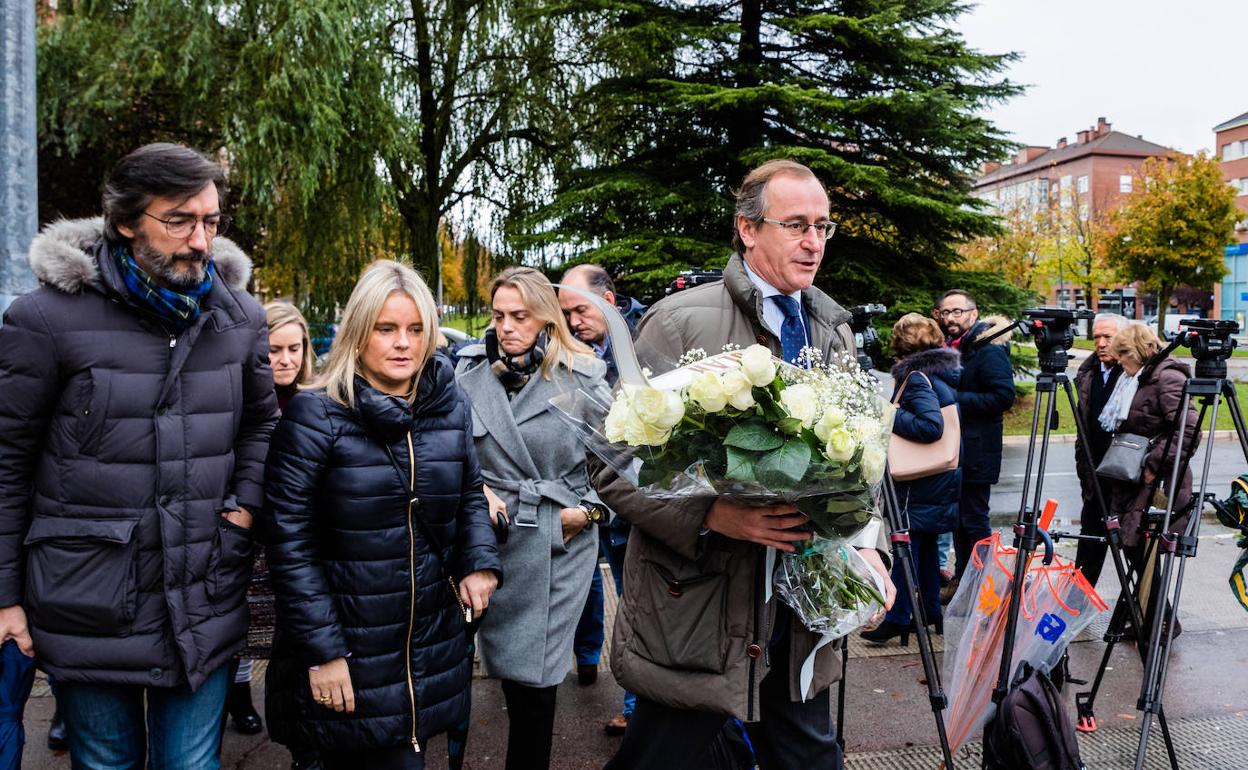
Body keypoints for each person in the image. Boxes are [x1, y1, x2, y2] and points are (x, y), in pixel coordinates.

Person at [596, 159, 895, 770]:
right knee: (661, 757)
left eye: (823, 226)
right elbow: (611, 463)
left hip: (801, 609)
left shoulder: (832, 328)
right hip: (702, 612)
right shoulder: (678, 322)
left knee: (810, 758)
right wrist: (712, 516)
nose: (813, 242)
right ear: (748, 229)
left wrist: (868, 546)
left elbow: (860, 460)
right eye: (796, 225)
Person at [0, 143, 278, 769]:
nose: (201, 241)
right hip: (84, 597)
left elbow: (261, 427)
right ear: (125, 221)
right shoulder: (45, 319)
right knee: (105, 765)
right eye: (179, 220)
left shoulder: (239, 318)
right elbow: (7, 464)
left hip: (202, 587)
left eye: (210, 221)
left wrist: (242, 517)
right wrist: (5, 598)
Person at [262, 260, 501, 770]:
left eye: (416, 329)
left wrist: (479, 560)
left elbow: (469, 491)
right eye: (386, 329)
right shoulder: (316, 414)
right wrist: (324, 653)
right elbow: (288, 542)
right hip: (346, 652)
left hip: (423, 646)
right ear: (358, 331)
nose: (403, 344)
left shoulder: (447, 404)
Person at [456, 267, 610, 770]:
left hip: (555, 542)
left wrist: (585, 513)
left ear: (546, 318)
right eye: (499, 315)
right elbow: (446, 452)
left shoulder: (581, 375)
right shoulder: (465, 373)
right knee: (460, 673)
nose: (506, 327)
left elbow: (618, 464)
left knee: (536, 682)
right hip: (486, 540)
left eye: (520, 316)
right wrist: (475, 489)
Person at [558, 263, 638, 735]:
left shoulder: (647, 336)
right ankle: (594, 662)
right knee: (609, 595)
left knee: (635, 604)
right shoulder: (573, 351)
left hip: (638, 502)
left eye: (579, 310)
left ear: (609, 300)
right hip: (593, 498)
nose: (572, 322)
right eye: (565, 314)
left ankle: (636, 707)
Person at [862, 314, 960, 646]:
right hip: (937, 478)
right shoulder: (938, 374)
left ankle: (899, 616)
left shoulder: (916, 378)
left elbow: (930, 427)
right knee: (927, 544)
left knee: (907, 545)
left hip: (918, 481)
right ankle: (932, 610)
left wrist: (888, 412)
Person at [1099, 322, 1200, 639]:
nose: (1120, 366)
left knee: (1143, 551)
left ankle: (1162, 622)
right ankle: (1153, 619)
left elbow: (1188, 431)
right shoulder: (1138, 377)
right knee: (1135, 551)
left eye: (1122, 358)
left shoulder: (1167, 376)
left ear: (1135, 352)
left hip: (1155, 481)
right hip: (1132, 480)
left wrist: (1154, 463)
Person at [933, 290, 1015, 600]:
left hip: (978, 448)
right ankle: (965, 582)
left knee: (974, 519)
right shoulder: (956, 346)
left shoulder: (987, 349)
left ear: (973, 314)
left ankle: (987, 586)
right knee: (959, 520)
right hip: (958, 447)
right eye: (945, 312)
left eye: (957, 311)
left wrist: (953, 402)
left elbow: (1002, 396)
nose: (950, 318)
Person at [1072, 313, 1129, 588]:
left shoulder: (1134, 373)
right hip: (1094, 477)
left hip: (1125, 478)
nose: (1102, 343)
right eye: (1097, 337)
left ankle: (1157, 616)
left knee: (1135, 551)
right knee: (1089, 545)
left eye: (1109, 337)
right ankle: (1073, 609)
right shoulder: (1089, 373)